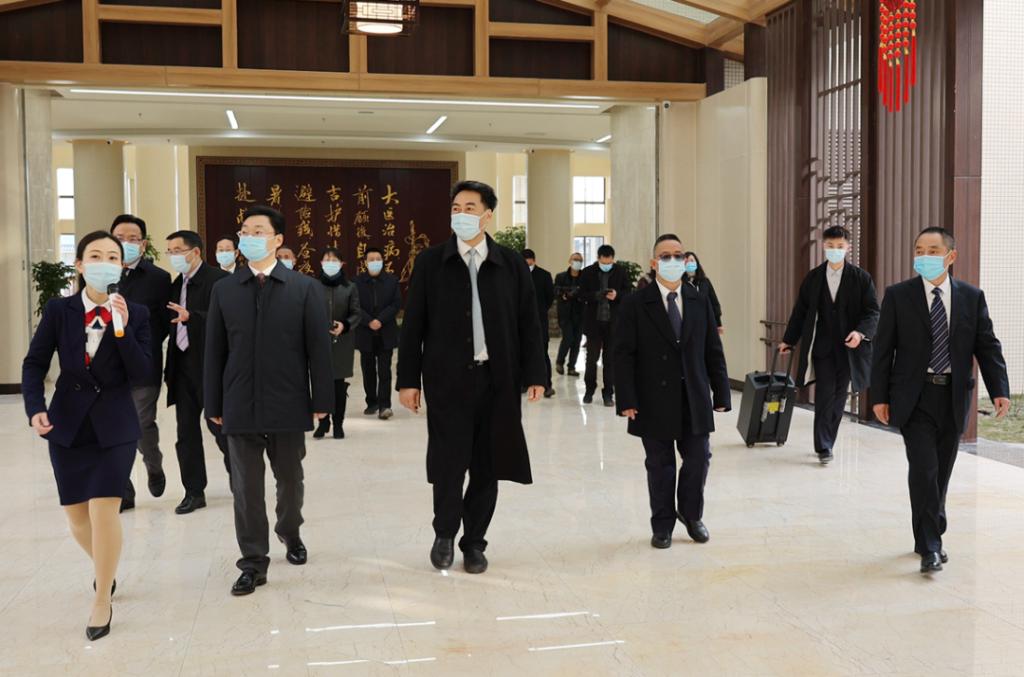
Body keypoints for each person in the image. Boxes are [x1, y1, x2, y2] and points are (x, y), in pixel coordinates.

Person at [397, 180, 546, 575]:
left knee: (487, 466)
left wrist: (536, 373)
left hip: (497, 382)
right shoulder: (431, 262)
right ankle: (444, 534)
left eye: (469, 208)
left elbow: (529, 323)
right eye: (456, 208)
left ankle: (475, 542)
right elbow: (413, 325)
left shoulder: (510, 264)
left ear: (487, 215)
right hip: (447, 382)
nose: (460, 214)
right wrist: (408, 380)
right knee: (448, 464)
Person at [22, 231, 152, 641]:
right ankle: (106, 570)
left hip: (116, 424)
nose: (104, 262)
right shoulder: (59, 310)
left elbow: (143, 373)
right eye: (95, 255)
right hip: (68, 423)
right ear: (79, 265)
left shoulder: (137, 313)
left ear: (121, 266)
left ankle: (101, 600)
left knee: (103, 510)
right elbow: (34, 363)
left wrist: (121, 329)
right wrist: (35, 407)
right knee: (76, 516)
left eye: (112, 256)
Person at [204, 205, 334, 595]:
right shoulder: (225, 289)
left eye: (258, 231)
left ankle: (290, 531)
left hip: (288, 401)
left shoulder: (304, 288)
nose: (248, 237)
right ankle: (253, 562)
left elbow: (318, 349)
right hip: (239, 401)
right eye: (244, 230)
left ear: (277, 240)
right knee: (246, 488)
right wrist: (214, 404)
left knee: (290, 480)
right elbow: (214, 352)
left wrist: (322, 399)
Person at [870, 227, 1010, 574]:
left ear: (951, 256)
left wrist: (1000, 389)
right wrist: (879, 396)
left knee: (941, 473)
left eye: (933, 250)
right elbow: (883, 350)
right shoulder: (898, 296)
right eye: (919, 250)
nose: (924, 256)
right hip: (913, 397)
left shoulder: (971, 297)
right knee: (924, 470)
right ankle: (931, 546)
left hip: (952, 396)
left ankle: (929, 532)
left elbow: (987, 345)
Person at [615, 234, 731, 549]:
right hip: (652, 398)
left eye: (678, 255)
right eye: (665, 256)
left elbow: (712, 349)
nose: (673, 261)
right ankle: (663, 524)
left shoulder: (698, 299)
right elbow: (622, 355)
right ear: (654, 263)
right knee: (660, 465)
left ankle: (692, 515)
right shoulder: (636, 303)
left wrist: (721, 392)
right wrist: (626, 398)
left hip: (693, 396)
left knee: (699, 459)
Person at [779, 227, 880, 465]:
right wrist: (789, 340)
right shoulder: (813, 278)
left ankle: (828, 441)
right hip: (822, 348)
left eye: (840, 246)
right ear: (824, 246)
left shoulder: (861, 278)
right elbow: (800, 311)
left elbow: (872, 311)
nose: (835, 250)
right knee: (825, 394)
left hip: (848, 348)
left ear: (848, 248)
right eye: (831, 246)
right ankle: (823, 446)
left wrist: (860, 333)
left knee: (838, 397)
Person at [164, 230, 230, 514]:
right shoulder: (176, 284)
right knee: (186, 434)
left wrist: (193, 317)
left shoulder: (220, 281)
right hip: (181, 367)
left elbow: (228, 321)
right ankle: (193, 491)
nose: (173, 256)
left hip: (212, 368)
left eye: (177, 250)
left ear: (195, 252)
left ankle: (241, 479)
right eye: (170, 251)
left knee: (221, 429)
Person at [110, 214, 171, 512]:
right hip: (108, 367)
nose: (126, 243)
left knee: (140, 422)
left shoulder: (159, 278)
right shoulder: (100, 274)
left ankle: (153, 464)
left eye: (132, 238)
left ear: (143, 244)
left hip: (144, 364)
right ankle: (124, 490)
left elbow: (164, 324)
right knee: (114, 426)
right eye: (119, 238)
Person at [314, 249, 361, 440]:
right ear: (321, 263)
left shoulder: (350, 287)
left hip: (342, 342)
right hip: (318, 342)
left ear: (341, 264)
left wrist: (345, 325)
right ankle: (323, 423)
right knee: (320, 384)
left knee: (339, 386)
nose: (330, 262)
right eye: (327, 259)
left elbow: (356, 313)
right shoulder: (313, 286)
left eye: (334, 260)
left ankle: (338, 424)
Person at [579, 244, 631, 406]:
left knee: (610, 360)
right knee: (591, 359)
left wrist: (617, 295)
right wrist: (596, 295)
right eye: (604, 262)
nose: (607, 265)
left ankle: (608, 393)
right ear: (598, 259)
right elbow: (581, 294)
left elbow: (628, 292)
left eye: (609, 262)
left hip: (613, 323)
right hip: (594, 323)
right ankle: (589, 390)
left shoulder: (621, 272)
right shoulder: (588, 272)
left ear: (613, 259)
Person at [354, 246, 401, 420]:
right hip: (365, 332)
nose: (375, 262)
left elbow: (396, 304)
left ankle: (385, 405)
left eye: (378, 259)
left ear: (383, 261)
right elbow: (355, 305)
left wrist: (380, 320)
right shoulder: (357, 282)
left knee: (384, 371)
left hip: (385, 331)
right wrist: (369, 321)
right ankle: (371, 402)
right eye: (371, 259)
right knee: (368, 371)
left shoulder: (392, 281)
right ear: (365, 262)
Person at [523, 249, 555, 398]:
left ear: (534, 261)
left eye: (529, 263)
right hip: (520, 320)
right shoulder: (515, 274)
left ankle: (546, 384)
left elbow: (550, 297)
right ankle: (524, 383)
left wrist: (540, 310)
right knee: (522, 353)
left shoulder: (544, 275)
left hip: (539, 320)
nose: (527, 266)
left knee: (542, 352)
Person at [554, 253, 585, 376]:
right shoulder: (561, 276)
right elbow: (556, 291)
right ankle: (559, 362)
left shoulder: (584, 277)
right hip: (565, 314)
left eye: (580, 260)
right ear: (570, 261)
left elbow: (585, 292)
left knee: (576, 341)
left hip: (580, 313)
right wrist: (567, 293)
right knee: (568, 338)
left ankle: (571, 367)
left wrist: (575, 293)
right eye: (575, 259)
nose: (577, 262)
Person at [682, 252, 724, 333]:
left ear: (696, 263)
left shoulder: (705, 282)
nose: (689, 263)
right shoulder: (680, 283)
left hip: (706, 322)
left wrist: (718, 323)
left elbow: (714, 302)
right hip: (688, 323)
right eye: (686, 261)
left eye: (692, 260)